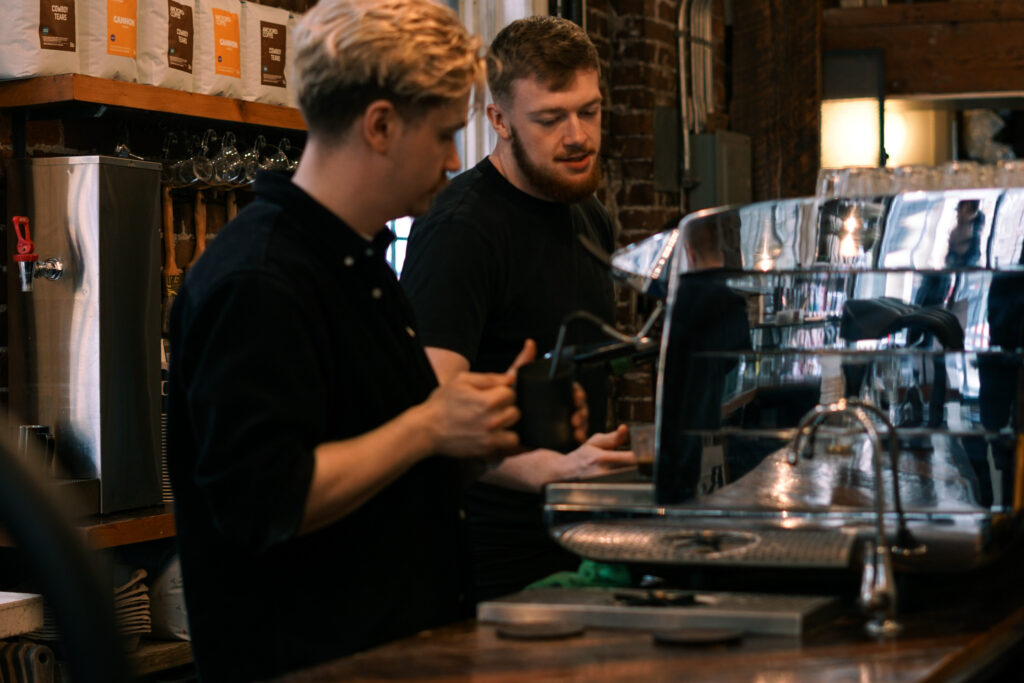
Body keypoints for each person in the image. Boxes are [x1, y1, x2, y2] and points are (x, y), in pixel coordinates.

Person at [167, 2, 528, 680]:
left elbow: (374, 452)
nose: (455, 160)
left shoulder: (359, 261)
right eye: (445, 135)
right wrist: (428, 426)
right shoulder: (261, 279)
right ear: (382, 125)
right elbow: (266, 499)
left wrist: (477, 432)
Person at [400, 15, 634, 603]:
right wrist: (549, 469)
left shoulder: (588, 214)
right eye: (551, 119)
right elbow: (430, 411)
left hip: (581, 537)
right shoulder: (461, 229)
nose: (578, 136)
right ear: (499, 120)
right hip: (487, 557)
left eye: (590, 111)